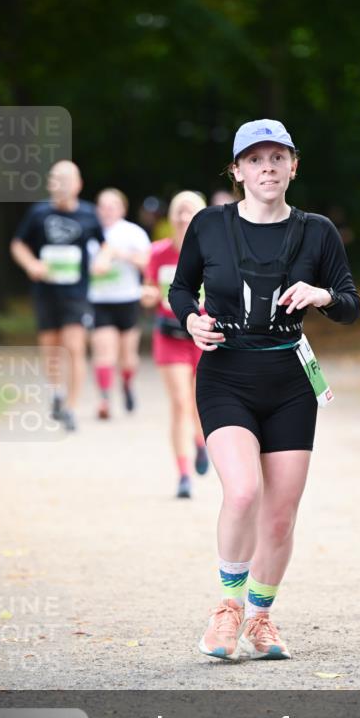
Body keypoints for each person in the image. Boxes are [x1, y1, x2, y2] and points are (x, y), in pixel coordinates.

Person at [169, 119, 360, 660]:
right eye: (255, 159)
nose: (268, 167)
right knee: (244, 492)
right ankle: (226, 611)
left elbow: (350, 305)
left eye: (278, 157)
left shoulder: (317, 231)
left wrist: (321, 294)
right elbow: (181, 288)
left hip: (290, 381)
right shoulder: (208, 225)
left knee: (281, 511)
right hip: (226, 374)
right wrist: (190, 321)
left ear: (294, 165)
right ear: (237, 171)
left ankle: (260, 617)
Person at [10, 160, 111, 431]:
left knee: (74, 347)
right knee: (51, 348)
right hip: (45, 292)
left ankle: (71, 407)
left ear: (77, 184)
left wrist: (102, 259)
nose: (58, 185)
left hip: (76, 293)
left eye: (64, 179)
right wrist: (31, 264)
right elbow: (18, 244)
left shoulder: (90, 214)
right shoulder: (38, 213)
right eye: (54, 179)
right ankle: (56, 391)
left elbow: (105, 246)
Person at [142, 190, 210, 498]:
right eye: (179, 211)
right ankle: (183, 475)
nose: (184, 217)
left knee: (199, 402)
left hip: (205, 338)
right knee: (181, 403)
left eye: (191, 211)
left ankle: (200, 441)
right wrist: (149, 295)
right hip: (170, 335)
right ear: (171, 217)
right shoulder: (158, 253)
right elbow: (149, 288)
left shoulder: (215, 253)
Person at [88, 188, 151, 419]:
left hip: (128, 299)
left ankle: (126, 384)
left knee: (127, 357)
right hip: (100, 300)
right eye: (102, 206)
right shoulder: (90, 232)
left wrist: (119, 255)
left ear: (122, 209)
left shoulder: (132, 233)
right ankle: (104, 398)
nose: (106, 211)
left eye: (111, 206)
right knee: (104, 351)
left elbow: (147, 262)